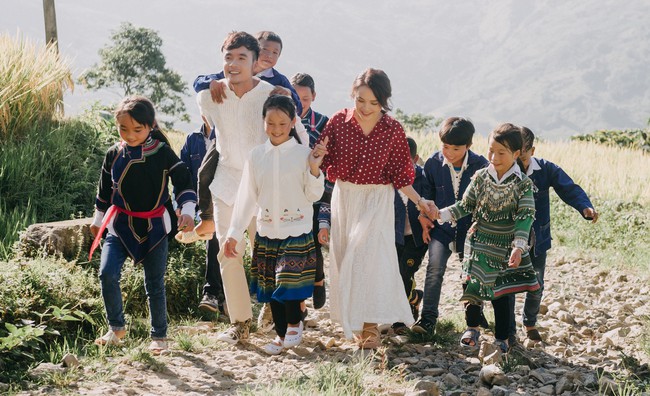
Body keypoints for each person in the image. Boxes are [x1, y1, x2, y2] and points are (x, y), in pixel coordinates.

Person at [315, 68, 438, 349]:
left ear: (384, 101)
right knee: (348, 259)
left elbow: (401, 176)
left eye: (374, 102)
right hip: (345, 198)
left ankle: (370, 326)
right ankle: (356, 322)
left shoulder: (393, 129)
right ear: (352, 96)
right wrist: (313, 161)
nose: (366, 108)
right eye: (361, 100)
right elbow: (319, 163)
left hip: (377, 200)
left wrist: (421, 202)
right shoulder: (338, 122)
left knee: (367, 259)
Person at [89, 95, 196, 355]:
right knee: (107, 273)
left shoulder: (162, 153)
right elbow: (104, 190)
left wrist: (188, 210)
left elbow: (183, 181)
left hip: (154, 226)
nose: (130, 134)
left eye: (137, 129)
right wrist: (98, 218)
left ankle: (159, 335)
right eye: (123, 128)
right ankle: (116, 328)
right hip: (120, 224)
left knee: (154, 283)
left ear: (150, 126)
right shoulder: (113, 154)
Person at [223, 95, 326, 355]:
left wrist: (314, 169)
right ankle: (282, 335)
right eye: (271, 123)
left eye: (282, 123)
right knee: (272, 288)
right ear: (263, 122)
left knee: (287, 282)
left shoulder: (304, 155)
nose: (276, 129)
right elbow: (246, 197)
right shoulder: (256, 156)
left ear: (293, 122)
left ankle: (294, 325)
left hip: (297, 230)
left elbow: (314, 195)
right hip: (268, 231)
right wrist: (234, 233)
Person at [192, 31, 276, 345]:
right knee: (228, 254)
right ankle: (240, 322)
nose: (234, 63)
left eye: (242, 57)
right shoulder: (209, 95)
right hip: (226, 183)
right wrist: (207, 82)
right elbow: (205, 111)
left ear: (256, 63)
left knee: (266, 252)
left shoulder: (270, 93)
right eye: (229, 57)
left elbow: (291, 124)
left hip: (263, 184)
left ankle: (271, 306)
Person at [429, 123, 540, 353]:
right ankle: (472, 328)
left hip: (505, 246)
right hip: (478, 241)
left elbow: (525, 216)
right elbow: (465, 206)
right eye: (491, 150)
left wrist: (518, 247)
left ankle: (501, 338)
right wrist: (440, 214)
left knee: (501, 293)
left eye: (501, 153)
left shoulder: (523, 185)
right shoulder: (480, 177)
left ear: (516, 154)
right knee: (472, 285)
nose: (493, 157)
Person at [508, 126, 598, 344]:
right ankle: (508, 329)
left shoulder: (546, 169)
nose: (520, 159)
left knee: (536, 282)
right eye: (516, 154)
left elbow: (568, 188)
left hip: (538, 237)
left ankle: (529, 322)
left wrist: (584, 206)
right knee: (507, 283)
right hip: (510, 237)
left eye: (524, 153)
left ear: (532, 150)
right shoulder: (505, 170)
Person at [412, 118, 489, 335]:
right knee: (434, 270)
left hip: (471, 230)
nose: (449, 152)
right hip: (441, 229)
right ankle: (427, 319)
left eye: (456, 148)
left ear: (468, 146)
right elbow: (426, 194)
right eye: (445, 146)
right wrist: (423, 216)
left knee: (471, 273)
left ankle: (473, 316)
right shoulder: (433, 163)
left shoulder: (481, 166)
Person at [178, 116, 227, 317]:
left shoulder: (226, 135)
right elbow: (183, 175)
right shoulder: (192, 140)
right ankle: (218, 295)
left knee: (215, 238)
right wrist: (182, 206)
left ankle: (212, 293)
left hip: (223, 201)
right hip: (198, 205)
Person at [291, 72, 330, 310]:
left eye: (305, 98)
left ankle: (318, 279)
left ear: (313, 97)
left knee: (315, 239)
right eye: (296, 97)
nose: (300, 103)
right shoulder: (282, 119)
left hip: (316, 187)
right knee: (295, 240)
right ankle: (299, 299)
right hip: (291, 188)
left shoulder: (324, 123)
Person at [193, 31, 303, 116]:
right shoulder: (237, 72)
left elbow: (299, 109)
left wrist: (289, 94)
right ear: (254, 50)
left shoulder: (280, 80)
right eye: (265, 49)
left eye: (275, 52)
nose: (269, 55)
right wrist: (211, 82)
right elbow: (198, 82)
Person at [391, 137, 429, 335]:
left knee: (405, 272)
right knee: (395, 275)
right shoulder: (387, 179)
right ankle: (413, 297)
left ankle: (399, 320)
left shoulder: (423, 178)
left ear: (415, 159)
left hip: (416, 237)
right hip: (394, 237)